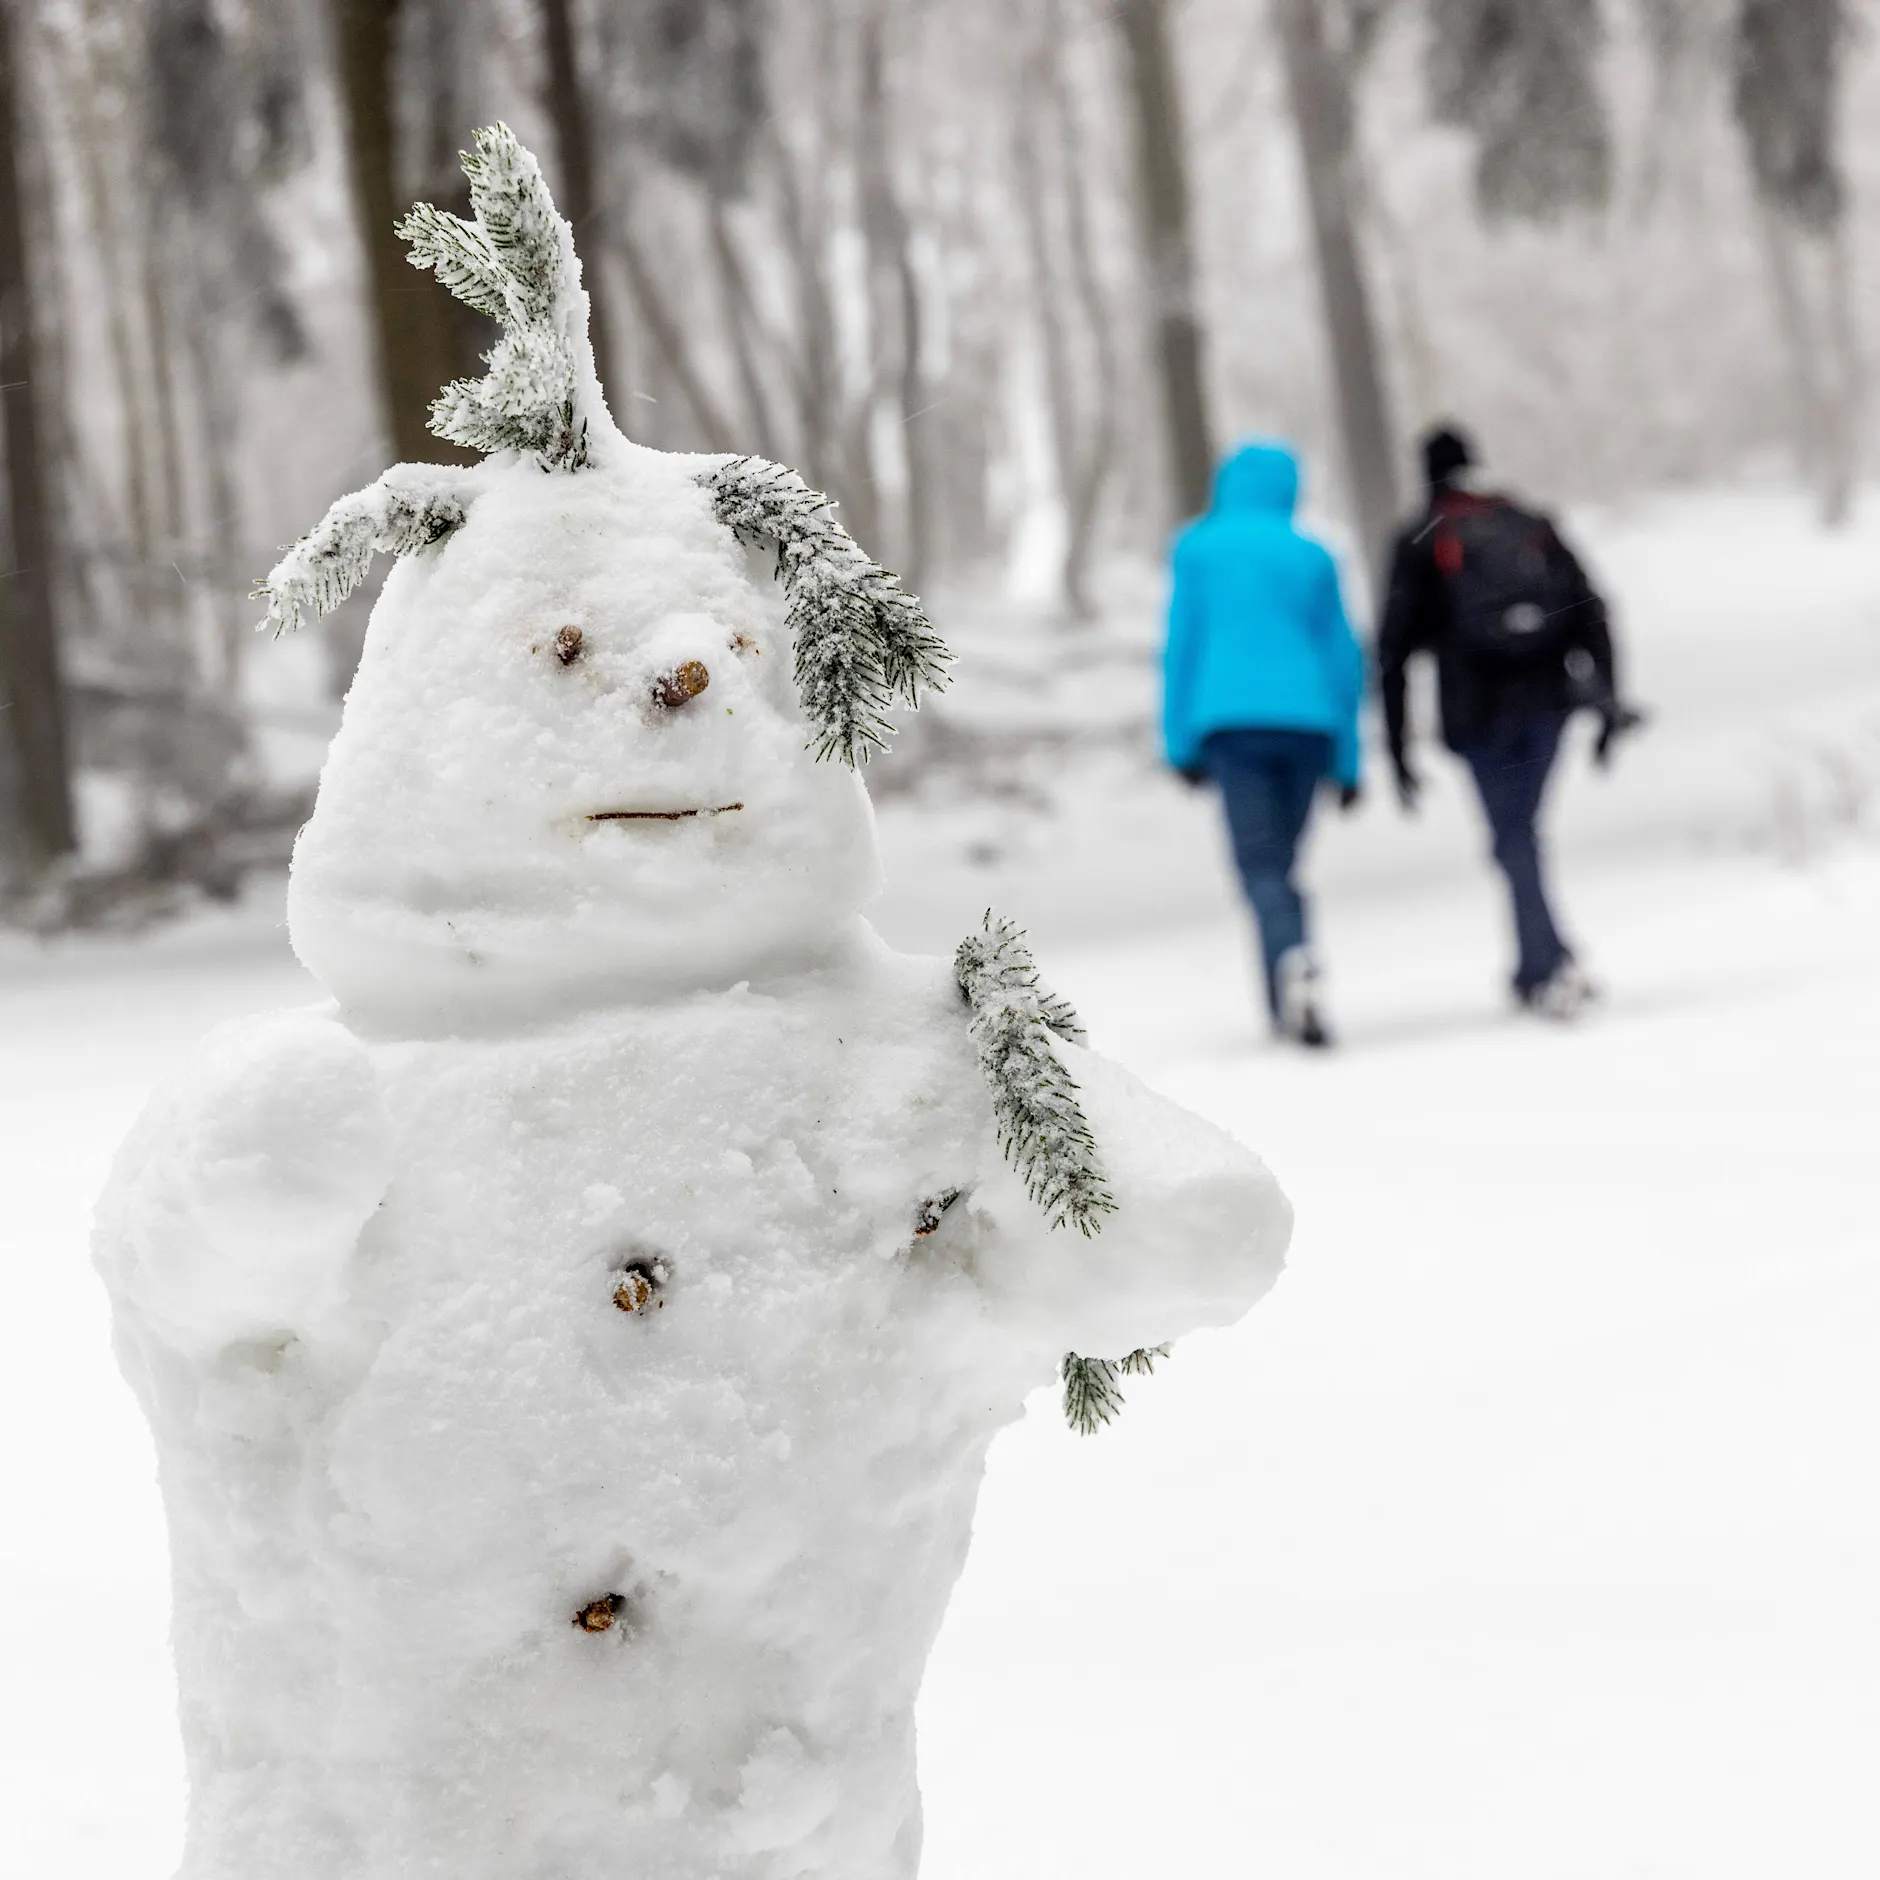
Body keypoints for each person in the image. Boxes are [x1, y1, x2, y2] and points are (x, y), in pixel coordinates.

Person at [1379, 424, 1643, 1018]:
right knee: (1519, 836)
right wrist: (1605, 699)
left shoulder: (1421, 537)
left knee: (1513, 838)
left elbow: (1392, 650)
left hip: (1477, 715)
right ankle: (1541, 961)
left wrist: (1396, 748)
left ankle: (1549, 967)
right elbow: (1591, 608)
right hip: (1549, 703)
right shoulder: (1528, 522)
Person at [1163, 440, 1365, 1047]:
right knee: (1281, 865)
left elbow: (1181, 649)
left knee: (1260, 866)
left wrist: (1179, 744)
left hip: (1232, 724)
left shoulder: (1196, 549)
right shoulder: (1313, 555)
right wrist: (1349, 758)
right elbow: (1344, 660)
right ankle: (1289, 987)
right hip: (1310, 726)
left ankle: (1292, 965)